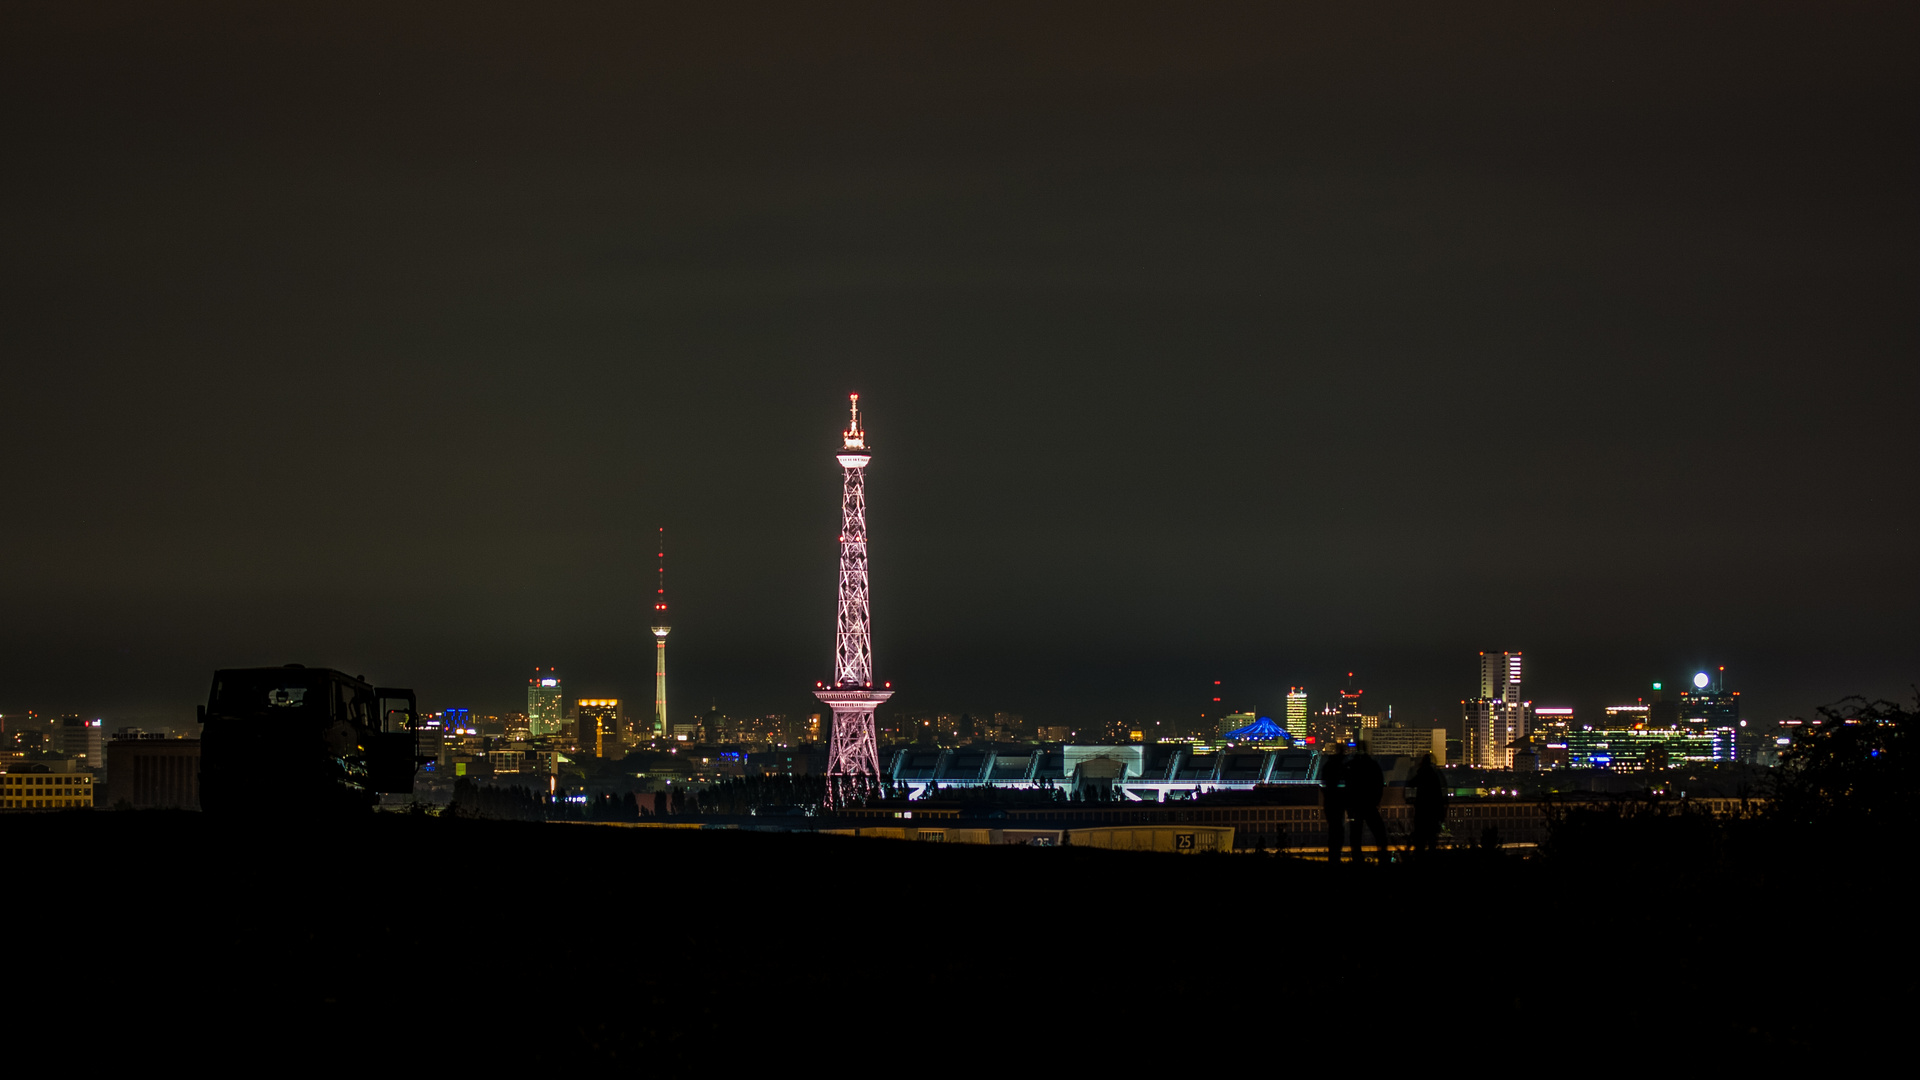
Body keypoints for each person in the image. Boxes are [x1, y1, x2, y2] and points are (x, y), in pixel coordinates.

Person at [1346, 746, 1389, 864]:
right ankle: (1383, 857)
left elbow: (1348, 787)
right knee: (1379, 832)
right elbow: (1379, 784)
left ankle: (1357, 859)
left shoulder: (1351, 766)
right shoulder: (1373, 766)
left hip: (1357, 805)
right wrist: (1375, 800)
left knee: (1356, 834)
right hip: (1369, 805)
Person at [1410, 753, 1446, 859]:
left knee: (1420, 841)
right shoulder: (1435, 775)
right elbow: (1440, 796)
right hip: (1432, 814)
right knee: (1431, 840)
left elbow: (1411, 783)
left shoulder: (1422, 774)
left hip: (1422, 813)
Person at [1320, 743, 1349, 864]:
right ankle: (1334, 859)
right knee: (1337, 832)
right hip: (1334, 803)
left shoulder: (1329, 765)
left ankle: (1333, 859)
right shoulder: (1338, 767)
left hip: (1330, 802)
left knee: (1334, 831)